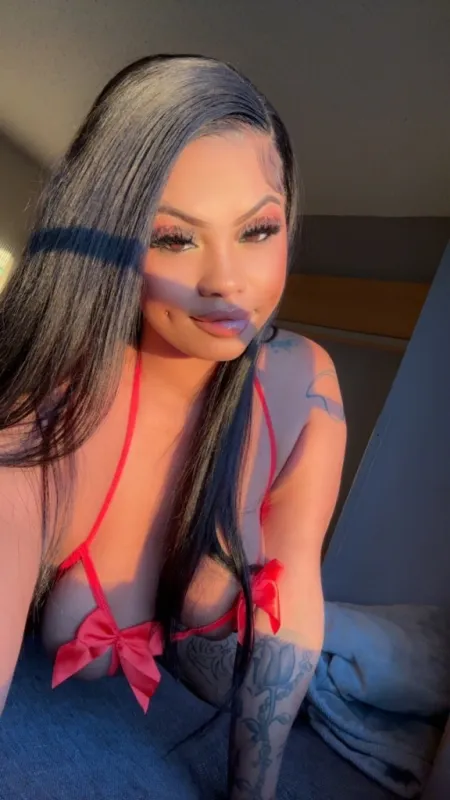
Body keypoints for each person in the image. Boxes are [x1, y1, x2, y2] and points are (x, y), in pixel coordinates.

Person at [0, 54, 347, 799]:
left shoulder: (302, 385)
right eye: (175, 238)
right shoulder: (55, 403)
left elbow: (294, 605)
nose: (227, 281)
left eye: (258, 228)